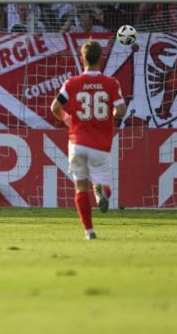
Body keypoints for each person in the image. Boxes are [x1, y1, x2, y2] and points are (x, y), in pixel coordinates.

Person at [50, 40, 126, 240]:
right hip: (101, 144)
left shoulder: (72, 83)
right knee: (103, 186)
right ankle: (101, 191)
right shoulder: (111, 83)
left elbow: (55, 108)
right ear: (101, 58)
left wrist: (67, 119)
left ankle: (89, 231)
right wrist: (109, 113)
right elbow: (121, 111)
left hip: (77, 142)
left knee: (80, 187)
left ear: (82, 58)